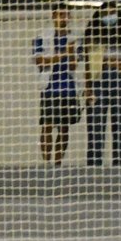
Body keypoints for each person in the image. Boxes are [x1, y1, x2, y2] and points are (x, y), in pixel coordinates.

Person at [35, 9, 83, 167]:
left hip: (69, 88)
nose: (64, 18)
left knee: (64, 127)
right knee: (47, 126)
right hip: (50, 88)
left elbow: (74, 65)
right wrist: (63, 54)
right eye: (61, 14)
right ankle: (46, 163)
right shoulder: (43, 37)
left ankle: (58, 164)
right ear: (54, 16)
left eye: (67, 15)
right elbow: (41, 62)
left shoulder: (75, 38)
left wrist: (71, 53)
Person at [85, 3, 121, 167]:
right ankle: (94, 166)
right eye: (106, 13)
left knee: (120, 126)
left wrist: (114, 63)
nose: (110, 16)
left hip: (120, 81)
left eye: (112, 13)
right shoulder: (92, 33)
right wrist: (88, 86)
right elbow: (88, 62)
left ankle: (120, 166)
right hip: (98, 81)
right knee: (96, 127)